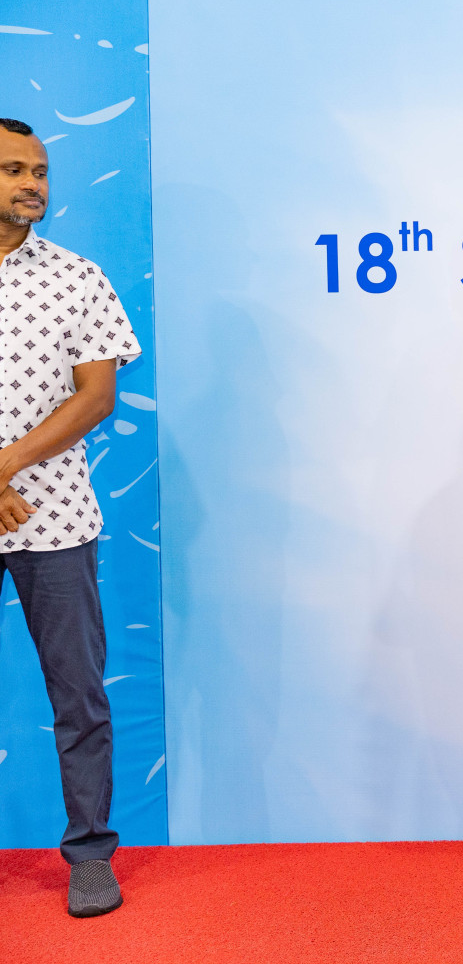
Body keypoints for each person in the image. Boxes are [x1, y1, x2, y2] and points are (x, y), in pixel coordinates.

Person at [0, 118, 143, 918]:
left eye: (42, 171)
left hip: (54, 522)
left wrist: (4, 465)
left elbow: (97, 396)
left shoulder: (78, 277)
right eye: (15, 170)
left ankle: (90, 853)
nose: (34, 185)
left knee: (78, 695)